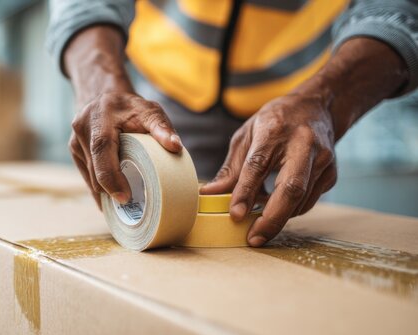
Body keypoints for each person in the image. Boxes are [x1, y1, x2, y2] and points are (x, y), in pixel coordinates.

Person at [47, 0, 418, 246]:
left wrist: (327, 100)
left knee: (287, 239)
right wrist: (100, 81)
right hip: (168, 94)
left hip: (301, 98)